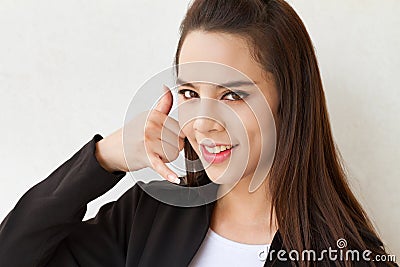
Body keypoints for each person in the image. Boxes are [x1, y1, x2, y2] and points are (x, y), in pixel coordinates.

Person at [0, 0, 397, 266]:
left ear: (289, 101)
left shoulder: (349, 255)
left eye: (232, 94)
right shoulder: (152, 214)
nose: (205, 122)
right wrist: (104, 158)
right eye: (190, 92)